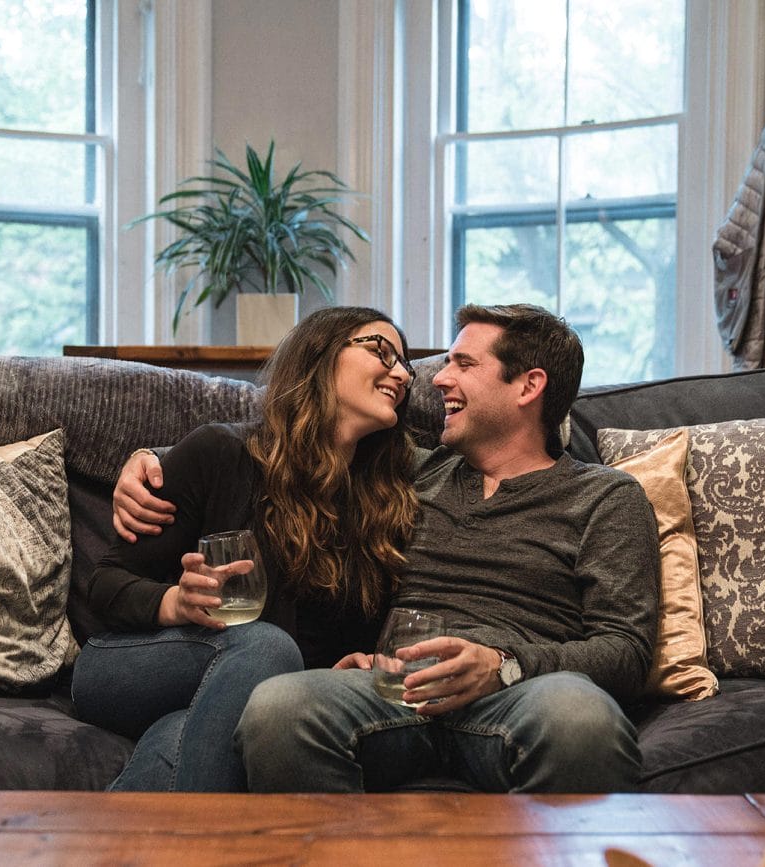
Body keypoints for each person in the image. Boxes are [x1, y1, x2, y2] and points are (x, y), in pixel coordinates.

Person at [115, 303, 661, 793]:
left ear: (528, 386)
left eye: (462, 365)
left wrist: (504, 665)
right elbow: (292, 445)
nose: (436, 379)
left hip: (520, 697)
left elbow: (625, 650)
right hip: (389, 692)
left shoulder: (607, 498)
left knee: (582, 718)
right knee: (280, 705)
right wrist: (155, 460)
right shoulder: (411, 473)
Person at [71, 305, 419, 791]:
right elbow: (105, 585)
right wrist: (174, 602)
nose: (401, 373)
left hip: (250, 691)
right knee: (266, 647)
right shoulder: (221, 455)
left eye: (406, 364)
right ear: (318, 355)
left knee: (183, 731)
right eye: (382, 350)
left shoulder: (389, 499)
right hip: (131, 665)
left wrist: (350, 666)